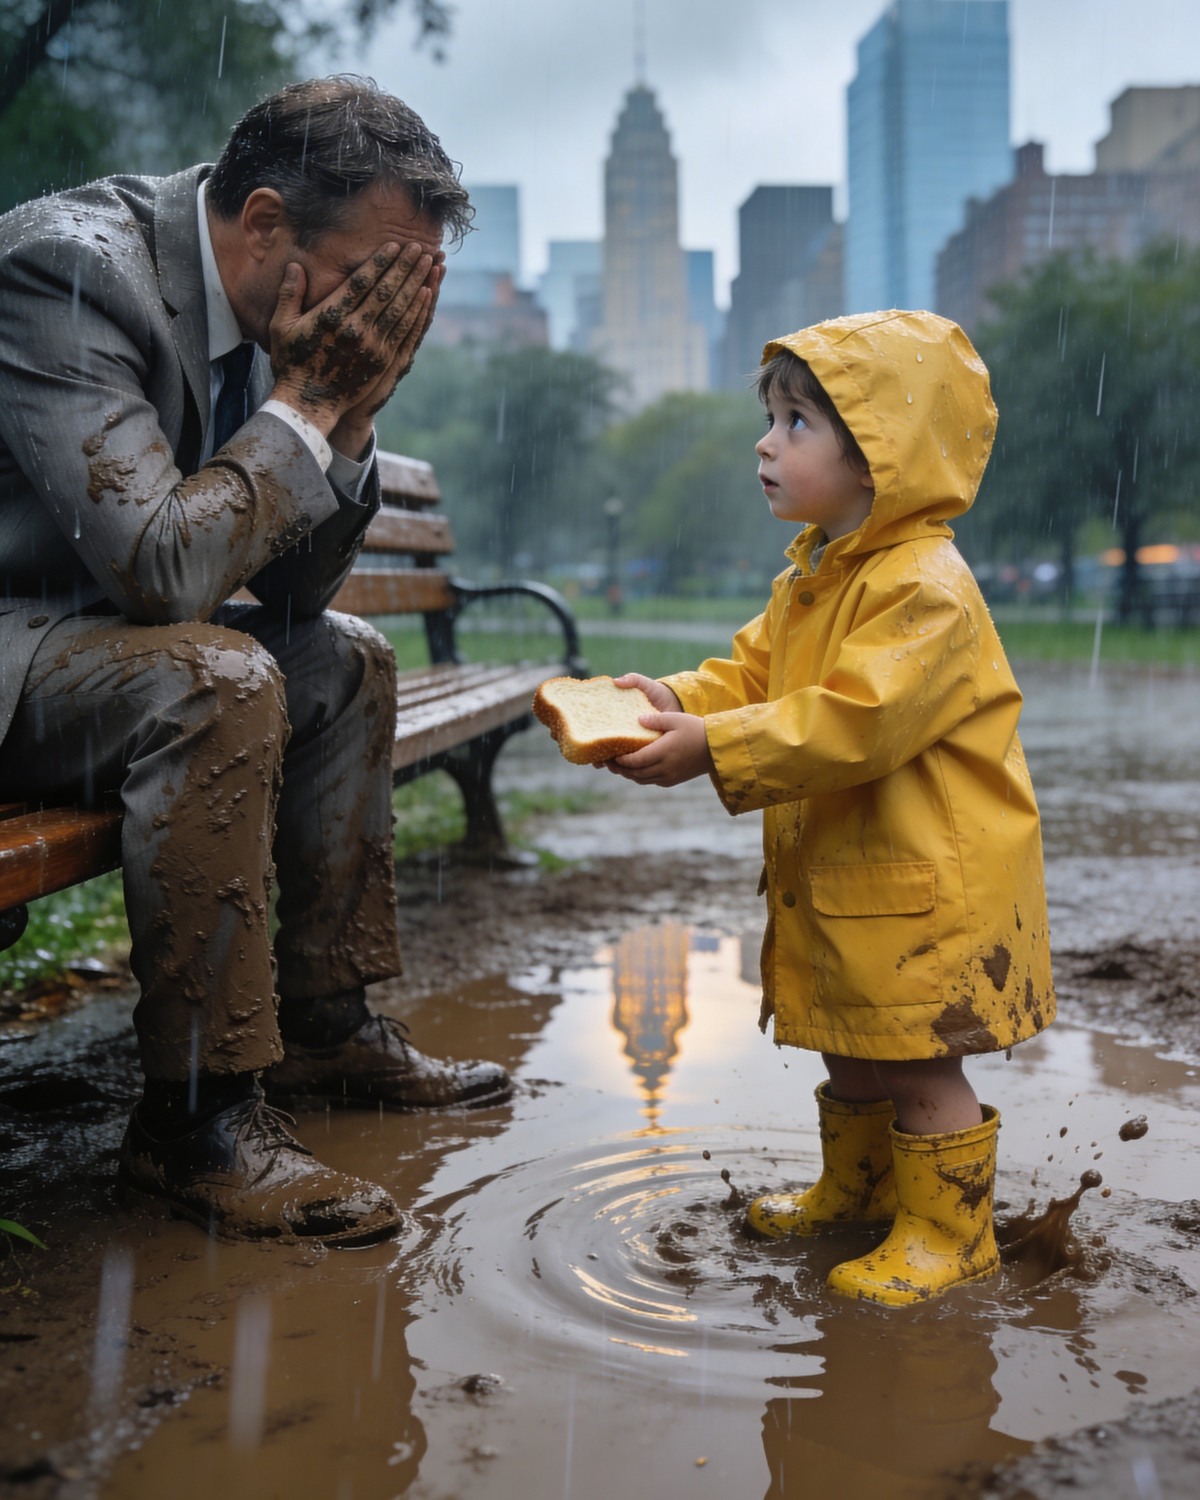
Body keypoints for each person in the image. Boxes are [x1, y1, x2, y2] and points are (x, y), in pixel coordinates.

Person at [0, 77, 513, 1249]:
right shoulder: (67, 272)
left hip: (110, 640)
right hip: (19, 643)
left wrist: (352, 417)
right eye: (370, 282)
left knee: (345, 662)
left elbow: (294, 594)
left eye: (406, 295)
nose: (376, 319)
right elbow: (165, 572)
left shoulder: (276, 309)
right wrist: (315, 398)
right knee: (218, 683)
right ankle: (198, 1124)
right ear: (266, 221)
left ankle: (329, 1024)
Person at [605, 310, 1055, 1304]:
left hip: (927, 886)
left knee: (919, 1067)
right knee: (854, 1044)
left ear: (879, 455)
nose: (767, 443)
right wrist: (682, 701)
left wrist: (714, 748)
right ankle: (855, 1188)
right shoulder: (814, 573)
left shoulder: (924, 590)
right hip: (860, 874)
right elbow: (753, 672)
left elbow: (858, 721)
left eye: (798, 421)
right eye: (771, 418)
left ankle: (951, 1233)